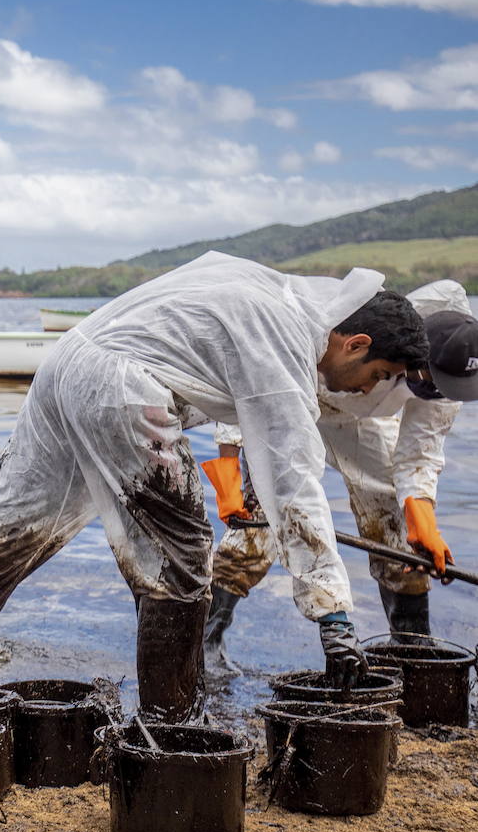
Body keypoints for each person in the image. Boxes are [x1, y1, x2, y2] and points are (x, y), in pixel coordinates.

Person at [0, 252, 430, 722]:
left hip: (65, 364)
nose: (369, 389)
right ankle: (172, 724)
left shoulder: (269, 291)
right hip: (122, 385)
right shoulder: (287, 334)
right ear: (355, 342)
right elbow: (294, 481)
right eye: (379, 373)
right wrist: (334, 617)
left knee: (7, 536)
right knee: (182, 556)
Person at [203, 280, 478, 670]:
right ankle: (207, 642)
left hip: (359, 420)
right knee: (263, 520)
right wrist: (229, 461)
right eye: (428, 380)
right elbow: (252, 373)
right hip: (296, 393)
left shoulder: (455, 370)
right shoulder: (361, 320)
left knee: (393, 521)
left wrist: (423, 519)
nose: (435, 391)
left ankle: (412, 648)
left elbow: (420, 449)